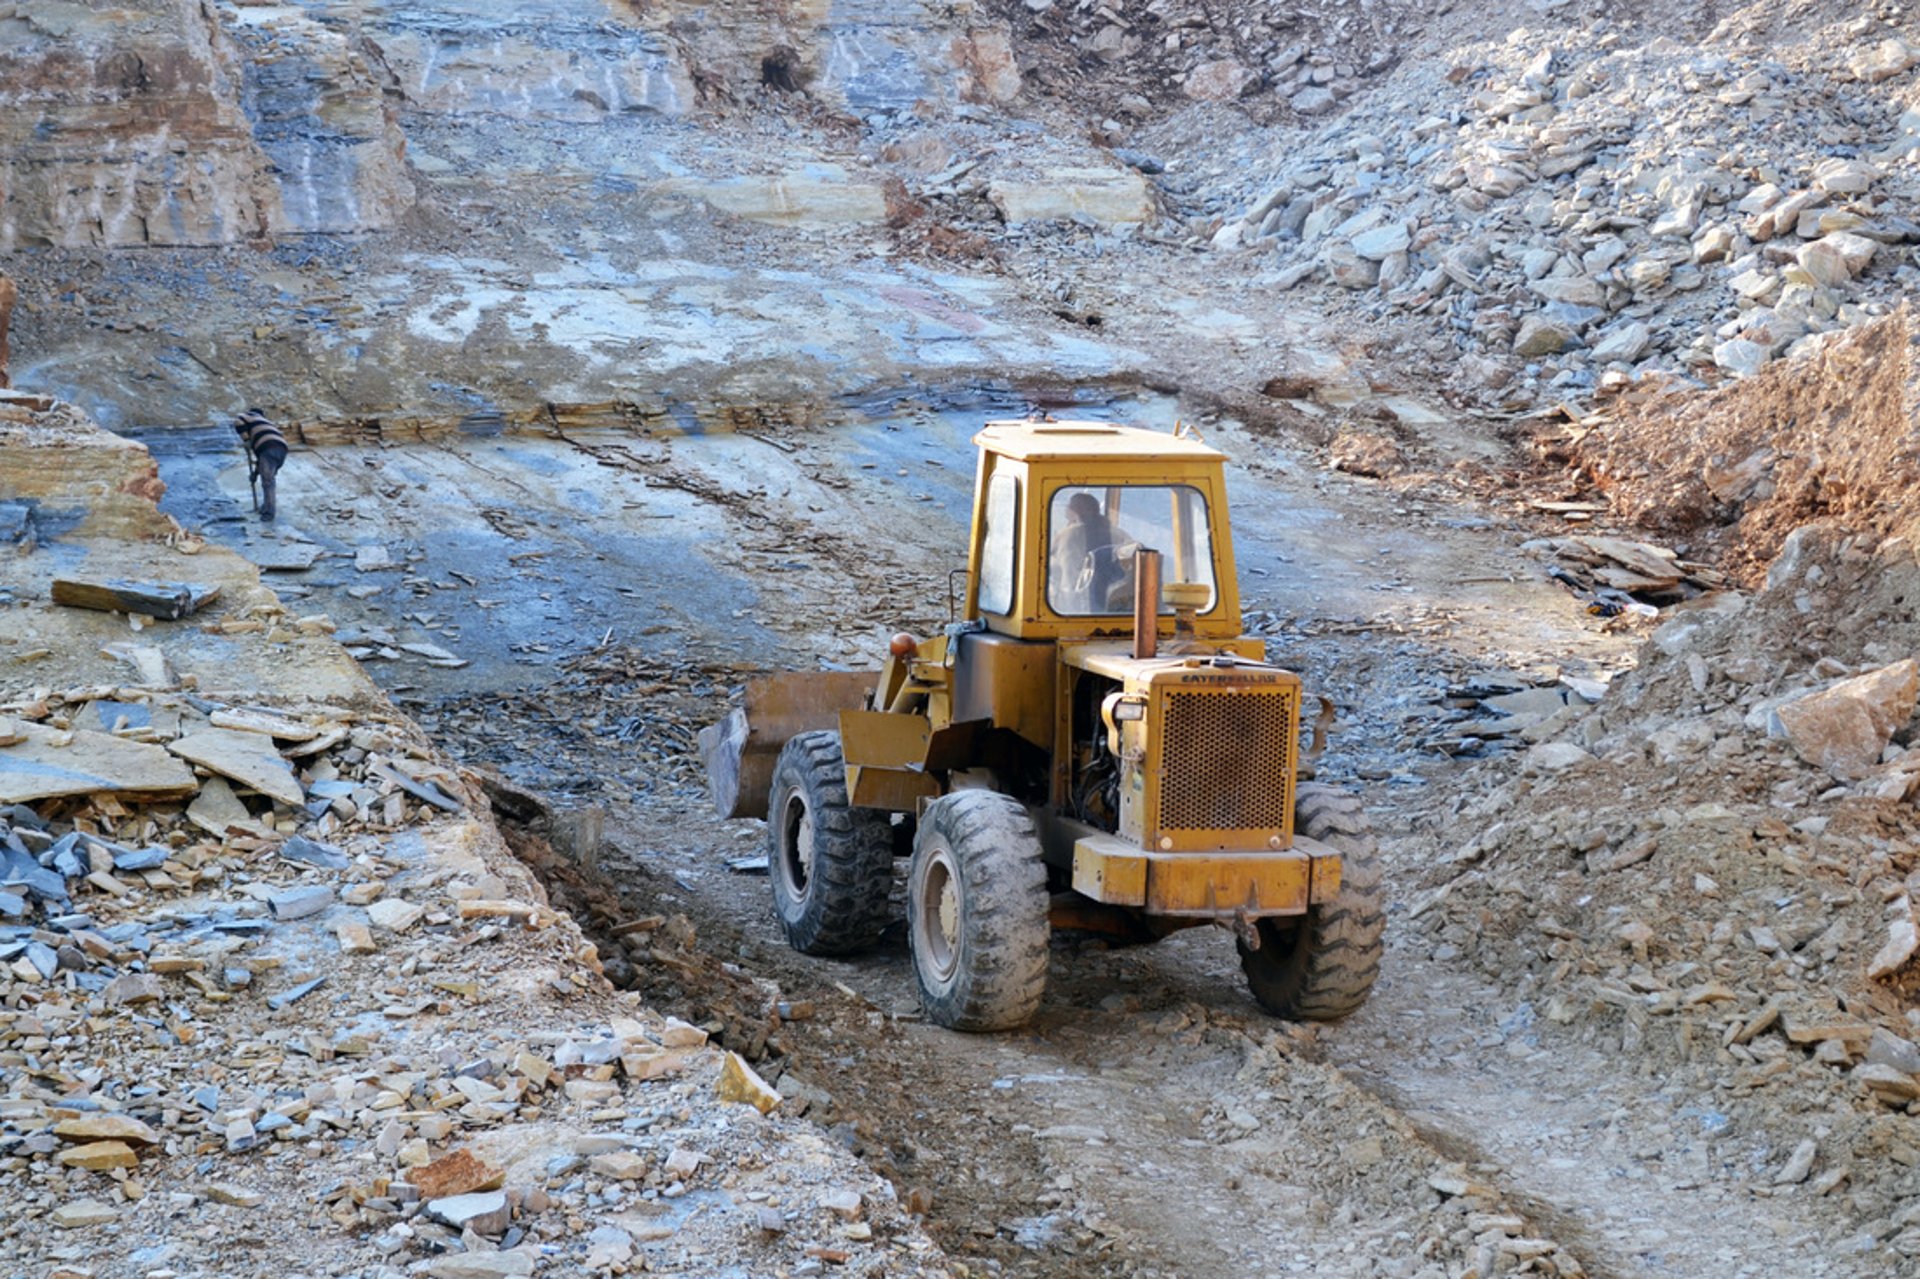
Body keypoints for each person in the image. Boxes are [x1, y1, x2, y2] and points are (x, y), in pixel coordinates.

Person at [1051, 491, 1119, 612]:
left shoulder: (1069, 535)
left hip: (1077, 601)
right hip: (1111, 599)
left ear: (1075, 511)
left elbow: (1065, 572)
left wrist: (1068, 606)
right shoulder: (1115, 532)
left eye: (1069, 506)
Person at [234, 408, 289, 521]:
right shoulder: (267, 424)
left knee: (268, 482)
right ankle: (266, 507)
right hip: (281, 449)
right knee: (268, 479)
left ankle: (269, 513)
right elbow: (261, 461)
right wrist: (255, 474)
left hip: (268, 447)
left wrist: (246, 439)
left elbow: (238, 421)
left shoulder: (248, 416)